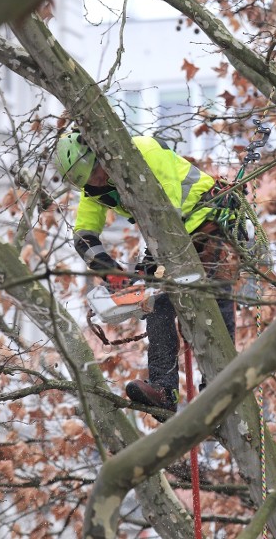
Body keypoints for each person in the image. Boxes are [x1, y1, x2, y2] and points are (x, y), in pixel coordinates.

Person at [55, 129, 239, 413]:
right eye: (90, 179)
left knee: (216, 295)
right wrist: (109, 270)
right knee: (157, 305)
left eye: (97, 172)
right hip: (166, 242)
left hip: (207, 220)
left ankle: (220, 385)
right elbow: (83, 234)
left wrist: (157, 264)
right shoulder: (93, 192)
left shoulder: (144, 151)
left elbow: (169, 209)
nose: (98, 180)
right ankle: (163, 389)